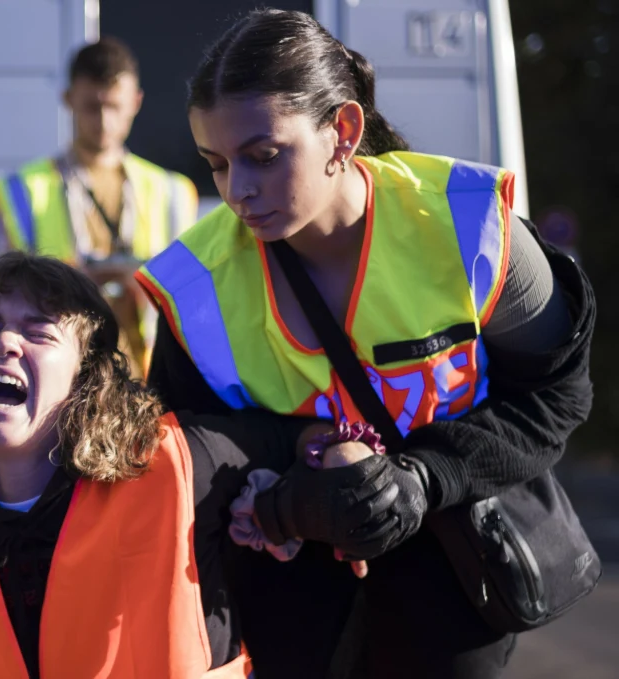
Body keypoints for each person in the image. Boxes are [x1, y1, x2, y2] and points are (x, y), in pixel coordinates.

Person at [136, 10, 595, 679]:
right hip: (289, 593)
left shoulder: (470, 226)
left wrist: (422, 478)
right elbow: (181, 453)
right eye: (216, 164)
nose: (238, 191)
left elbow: (555, 399)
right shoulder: (193, 285)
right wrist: (288, 484)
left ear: (342, 132)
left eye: (264, 156)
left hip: (455, 574)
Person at [0, 252, 328, 678]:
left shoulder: (180, 463)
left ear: (86, 377)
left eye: (38, 332)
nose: (4, 342)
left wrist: (311, 480)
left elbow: (308, 436)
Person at [0, 37, 199, 377]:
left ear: (136, 101)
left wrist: (140, 283)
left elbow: (191, 298)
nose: (103, 120)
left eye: (114, 106)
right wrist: (72, 282)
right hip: (60, 375)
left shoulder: (170, 191)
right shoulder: (22, 190)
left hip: (147, 375)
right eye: (91, 106)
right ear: (68, 100)